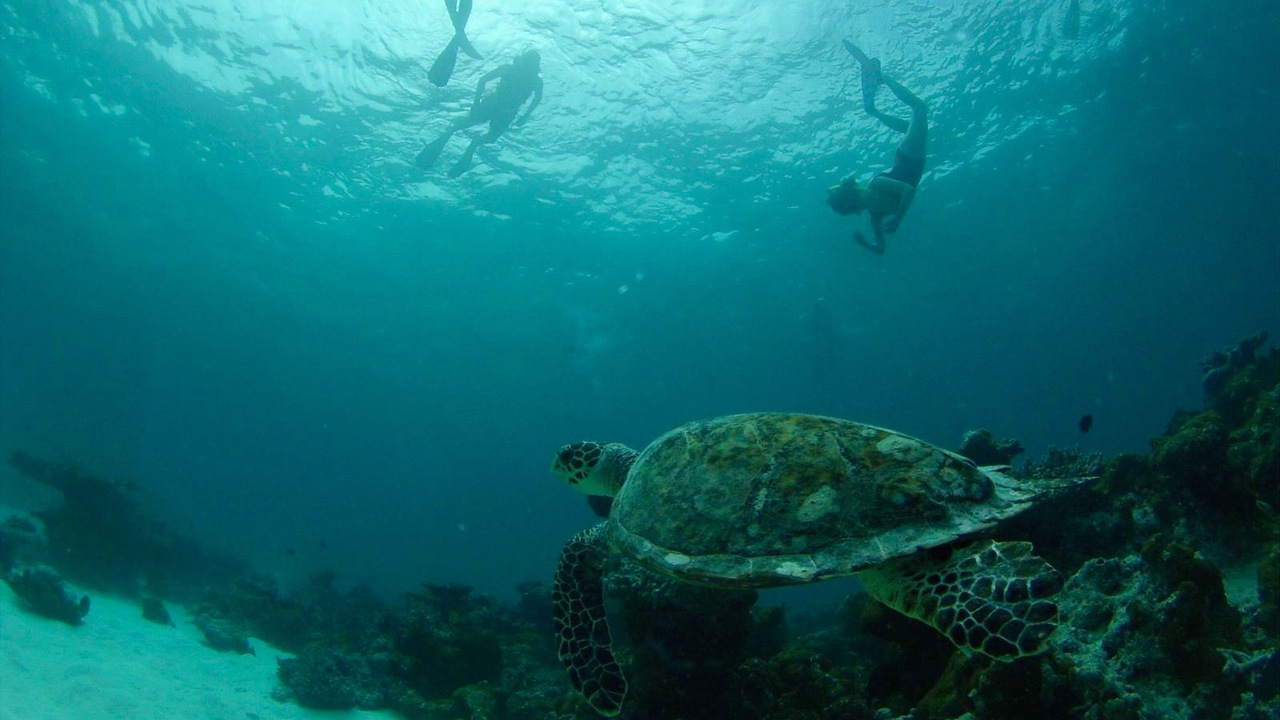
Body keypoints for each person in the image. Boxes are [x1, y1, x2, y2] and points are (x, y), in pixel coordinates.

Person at [827, 40, 928, 255]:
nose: (859, 202)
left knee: (920, 108)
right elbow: (880, 249)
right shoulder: (875, 216)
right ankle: (873, 111)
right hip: (914, 160)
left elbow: (908, 191)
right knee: (914, 121)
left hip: (908, 158)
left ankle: (883, 79)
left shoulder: (876, 184)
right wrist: (863, 243)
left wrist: (898, 220)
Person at [416, 49, 544, 178]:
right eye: (530, 62)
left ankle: (473, 143)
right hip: (494, 105)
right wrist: (476, 103)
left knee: (490, 137)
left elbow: (537, 99)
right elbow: (483, 80)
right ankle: (454, 135)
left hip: (506, 112)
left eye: (534, 63)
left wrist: (525, 116)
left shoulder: (535, 81)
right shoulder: (511, 70)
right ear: (524, 61)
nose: (531, 66)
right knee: (468, 125)